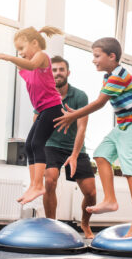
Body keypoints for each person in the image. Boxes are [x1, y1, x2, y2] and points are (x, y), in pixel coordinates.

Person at [54, 37, 132, 238]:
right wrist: (76, 113)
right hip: (124, 125)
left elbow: (99, 103)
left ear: (111, 56)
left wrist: (74, 114)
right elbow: (100, 102)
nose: (93, 60)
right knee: (100, 155)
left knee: (131, 171)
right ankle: (110, 200)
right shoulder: (108, 76)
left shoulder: (118, 76)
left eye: (97, 56)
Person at [0, 26, 64, 205]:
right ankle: (34, 185)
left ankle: (39, 184)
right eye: (18, 50)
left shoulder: (41, 56)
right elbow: (24, 65)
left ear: (34, 43)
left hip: (53, 107)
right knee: (29, 145)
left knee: (38, 143)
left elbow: (31, 63)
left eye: (22, 48)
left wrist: (7, 56)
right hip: (42, 110)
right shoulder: (27, 69)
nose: (21, 53)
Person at [36, 56, 96, 239]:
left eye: (61, 69)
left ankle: (85, 224)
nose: (57, 73)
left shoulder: (80, 96)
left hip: (74, 147)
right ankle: (51, 225)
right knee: (50, 181)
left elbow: (82, 128)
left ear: (68, 73)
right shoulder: (44, 96)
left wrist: (75, 155)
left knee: (91, 193)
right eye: (54, 70)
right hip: (51, 145)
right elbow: (36, 126)